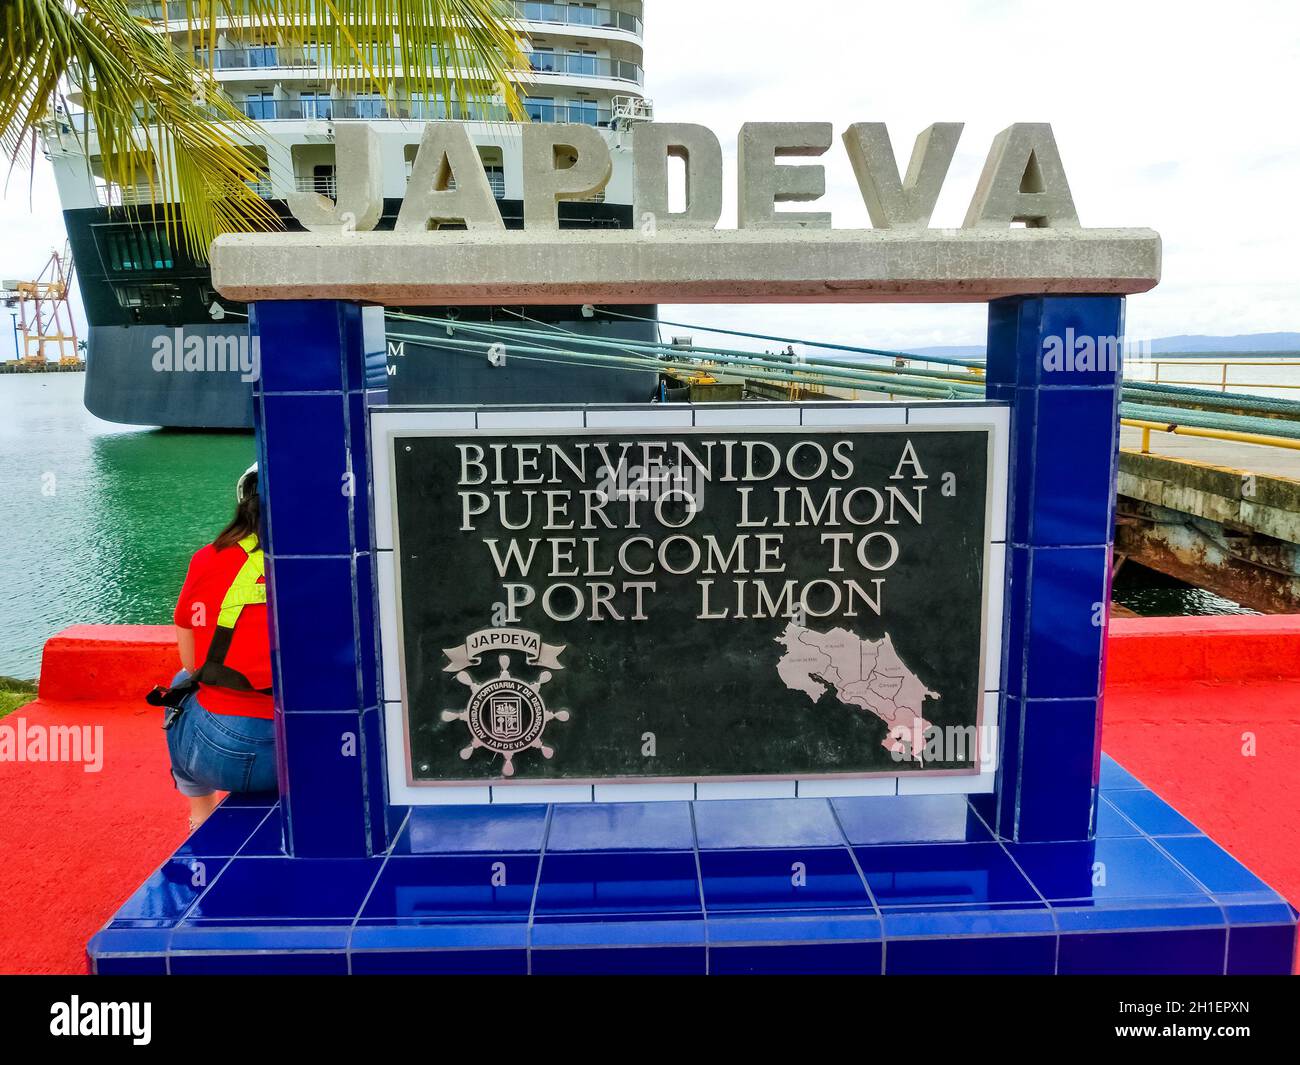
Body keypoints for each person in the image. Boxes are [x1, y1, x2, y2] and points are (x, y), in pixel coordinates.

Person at [162, 463, 277, 829]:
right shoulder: (328, 561)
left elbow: (193, 662)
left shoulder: (206, 558)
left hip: (222, 750)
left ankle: (200, 813)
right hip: (318, 752)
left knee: (179, 686)